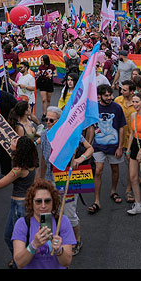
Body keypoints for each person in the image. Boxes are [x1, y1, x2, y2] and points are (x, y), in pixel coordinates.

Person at [0, 134, 38, 268]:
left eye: (16, 141)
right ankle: (19, 260)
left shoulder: (18, 169)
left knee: (16, 239)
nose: (12, 139)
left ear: (20, 149)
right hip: (22, 204)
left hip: (19, 207)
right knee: (10, 236)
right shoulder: (29, 162)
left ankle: (20, 262)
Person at [38, 106, 93, 256]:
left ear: (59, 121)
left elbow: (90, 149)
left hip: (66, 180)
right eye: (46, 119)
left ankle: (76, 240)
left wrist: (80, 159)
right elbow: (43, 158)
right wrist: (40, 179)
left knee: (68, 214)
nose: (48, 122)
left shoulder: (71, 134)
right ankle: (46, 243)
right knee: (46, 212)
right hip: (49, 180)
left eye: (51, 120)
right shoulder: (44, 135)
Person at [11, 178, 76, 269]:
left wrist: (59, 251)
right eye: (38, 201)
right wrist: (34, 245)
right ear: (31, 202)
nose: (43, 205)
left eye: (47, 201)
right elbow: (19, 263)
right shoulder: (22, 224)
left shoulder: (62, 221)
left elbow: (66, 262)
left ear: (53, 202)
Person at [87, 84, 126, 213]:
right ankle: (97, 200)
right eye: (106, 95)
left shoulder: (117, 108)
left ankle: (113, 192)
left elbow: (121, 127)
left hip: (114, 146)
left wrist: (120, 146)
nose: (109, 97)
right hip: (98, 146)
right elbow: (92, 127)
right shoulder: (94, 109)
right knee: (98, 171)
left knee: (115, 169)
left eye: (110, 95)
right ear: (99, 96)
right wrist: (88, 145)